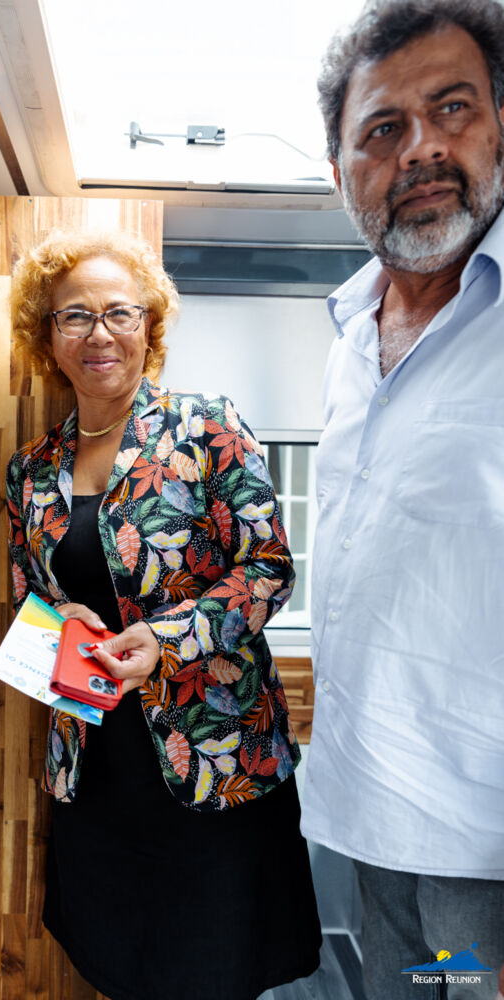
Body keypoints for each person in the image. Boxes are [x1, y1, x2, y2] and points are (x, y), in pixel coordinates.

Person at [5, 229, 321, 1000]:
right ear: (47, 336)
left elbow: (267, 568)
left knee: (215, 966)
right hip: (93, 768)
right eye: (74, 315)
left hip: (214, 760)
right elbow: (26, 595)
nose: (99, 333)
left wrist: (165, 639)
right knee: (117, 962)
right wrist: (59, 619)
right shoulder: (31, 469)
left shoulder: (205, 428)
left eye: (119, 312)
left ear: (149, 326)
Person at [301, 1, 504, 997]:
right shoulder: (347, 338)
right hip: (366, 816)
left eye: (450, 107)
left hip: (482, 851)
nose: (419, 146)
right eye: (381, 128)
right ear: (338, 168)